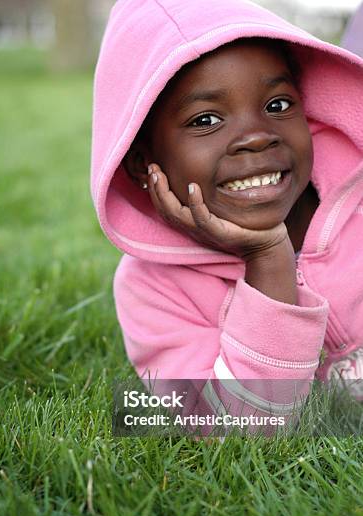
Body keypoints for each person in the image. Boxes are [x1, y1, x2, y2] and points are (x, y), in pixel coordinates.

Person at [91, 0, 363, 434]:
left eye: (277, 105)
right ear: (144, 163)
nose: (256, 136)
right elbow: (232, 431)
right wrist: (268, 261)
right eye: (206, 119)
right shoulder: (153, 289)